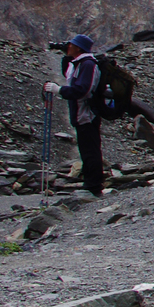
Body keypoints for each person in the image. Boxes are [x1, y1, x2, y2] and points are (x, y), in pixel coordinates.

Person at [46, 34, 106, 196]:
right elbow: (68, 74)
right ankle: (90, 182)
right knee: (86, 148)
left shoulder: (88, 64)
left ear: (79, 47)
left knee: (90, 149)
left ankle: (94, 184)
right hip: (81, 114)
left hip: (86, 113)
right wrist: (65, 55)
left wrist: (58, 89)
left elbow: (83, 90)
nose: (68, 45)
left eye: (71, 44)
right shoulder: (79, 63)